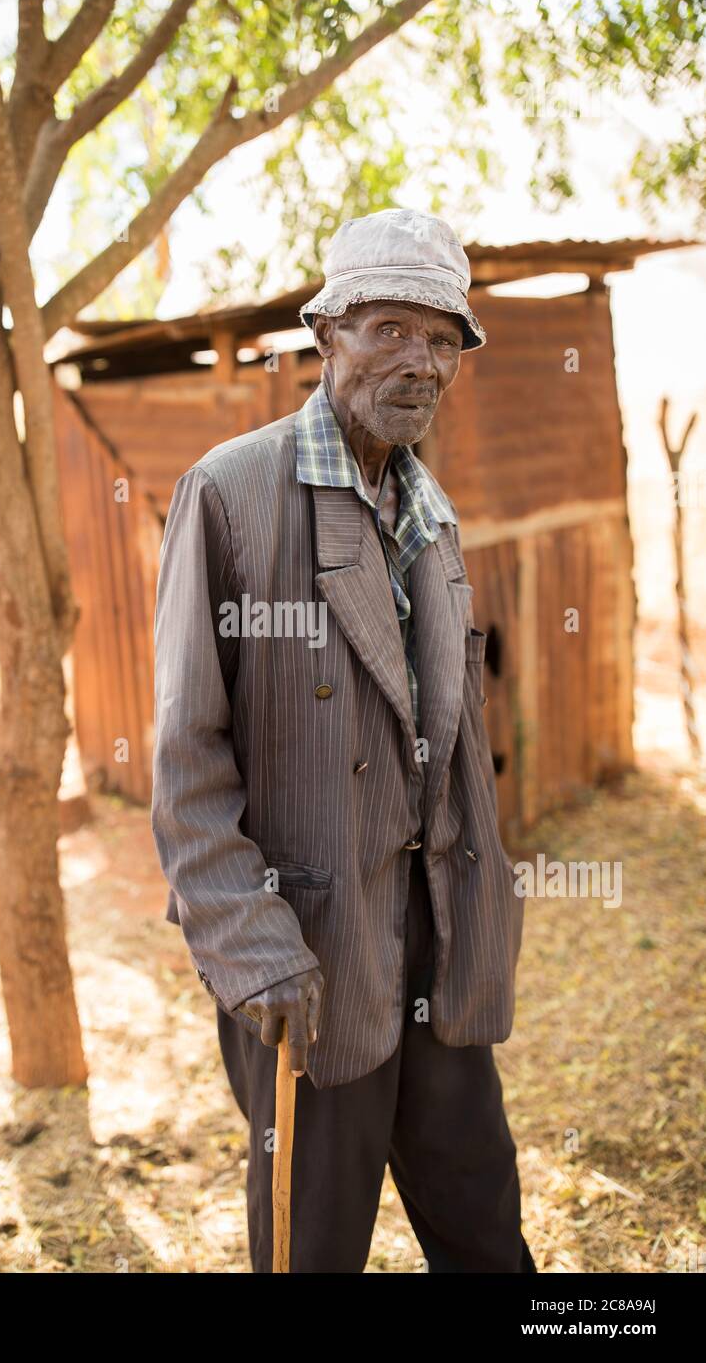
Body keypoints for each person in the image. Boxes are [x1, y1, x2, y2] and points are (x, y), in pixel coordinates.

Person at [151, 207, 535, 1273]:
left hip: (437, 953)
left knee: (487, 1235)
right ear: (324, 335)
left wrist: (485, 910)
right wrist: (252, 948)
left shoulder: (428, 511)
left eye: (441, 336)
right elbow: (186, 758)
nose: (417, 360)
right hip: (308, 971)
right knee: (309, 1251)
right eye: (386, 328)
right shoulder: (230, 492)